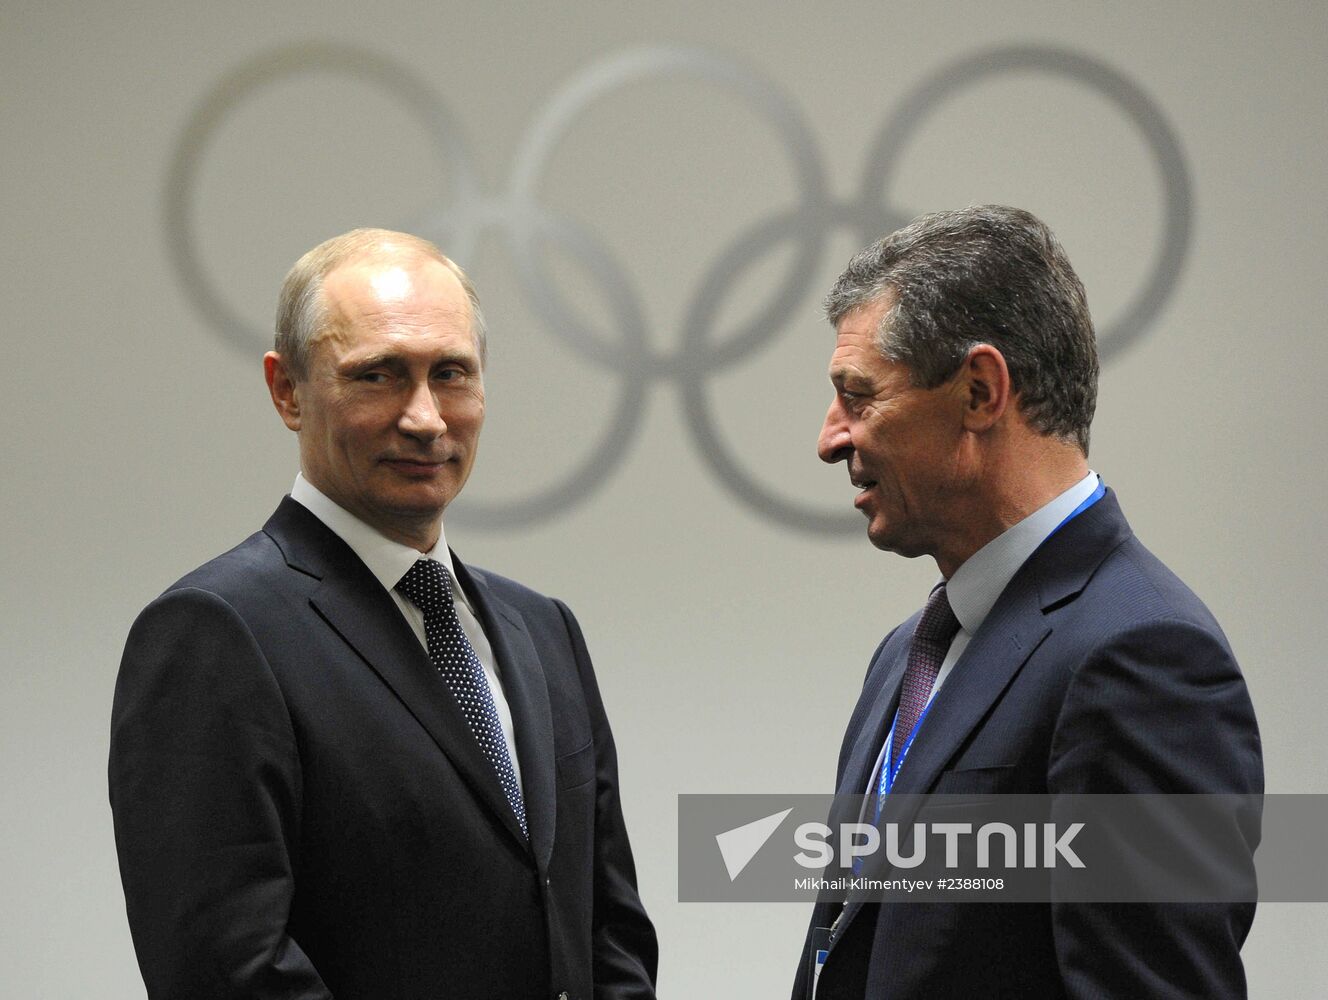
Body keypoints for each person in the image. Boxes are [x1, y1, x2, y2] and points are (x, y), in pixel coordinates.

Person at [109, 228, 658, 999]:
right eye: (380, 376)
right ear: (287, 390)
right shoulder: (216, 632)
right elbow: (229, 969)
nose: (426, 418)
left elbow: (610, 933)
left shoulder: (545, 631)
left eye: (452, 374)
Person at [792, 206, 1261, 999]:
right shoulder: (912, 651)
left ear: (980, 390)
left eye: (859, 397)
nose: (830, 438)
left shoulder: (1143, 656)